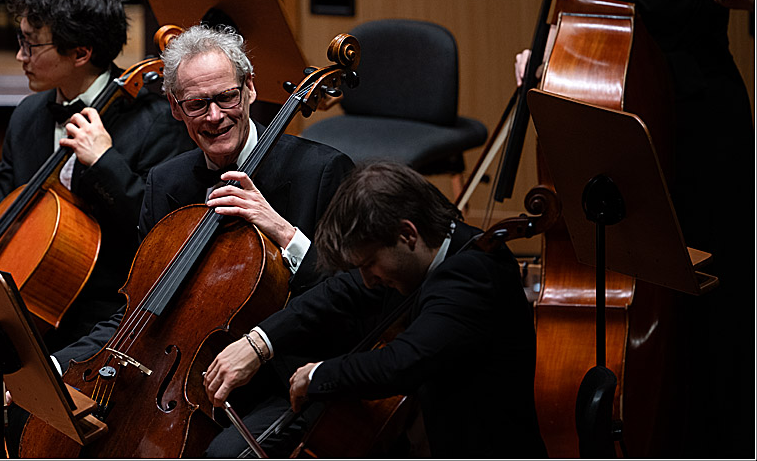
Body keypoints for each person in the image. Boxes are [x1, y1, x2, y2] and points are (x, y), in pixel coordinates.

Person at [515, 0, 754, 457]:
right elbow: (583, 30)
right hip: (633, 130)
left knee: (721, 286)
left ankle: (726, 436)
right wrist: (540, 58)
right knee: (641, 276)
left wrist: (752, 0)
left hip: (714, 133)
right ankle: (647, 424)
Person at [0, 23, 354, 456]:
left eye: (226, 97)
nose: (215, 116)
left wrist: (282, 231)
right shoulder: (166, 183)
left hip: (279, 374)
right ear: (174, 106)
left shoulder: (320, 172)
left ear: (249, 90)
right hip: (176, 383)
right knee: (41, 419)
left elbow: (352, 293)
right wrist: (53, 366)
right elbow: (135, 310)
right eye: (197, 104)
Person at [0, 0, 194, 348]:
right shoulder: (29, 114)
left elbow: (160, 234)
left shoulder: (157, 122)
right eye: (20, 40)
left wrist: (105, 162)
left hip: (108, 319)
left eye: (31, 45)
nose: (19, 56)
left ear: (80, 53)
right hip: (25, 301)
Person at [202, 161, 547, 458]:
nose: (367, 280)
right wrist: (259, 343)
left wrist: (317, 375)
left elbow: (401, 364)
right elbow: (342, 291)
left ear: (407, 234)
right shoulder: (434, 255)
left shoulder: (471, 274)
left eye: (369, 264)